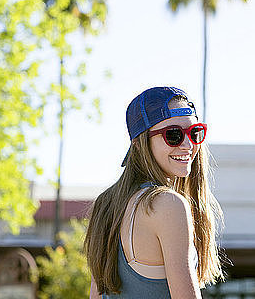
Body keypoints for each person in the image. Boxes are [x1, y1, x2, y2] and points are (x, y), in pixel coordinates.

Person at [84, 86, 223, 298]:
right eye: (173, 135)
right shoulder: (168, 204)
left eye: (194, 133)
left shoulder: (106, 204)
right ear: (139, 144)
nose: (187, 145)